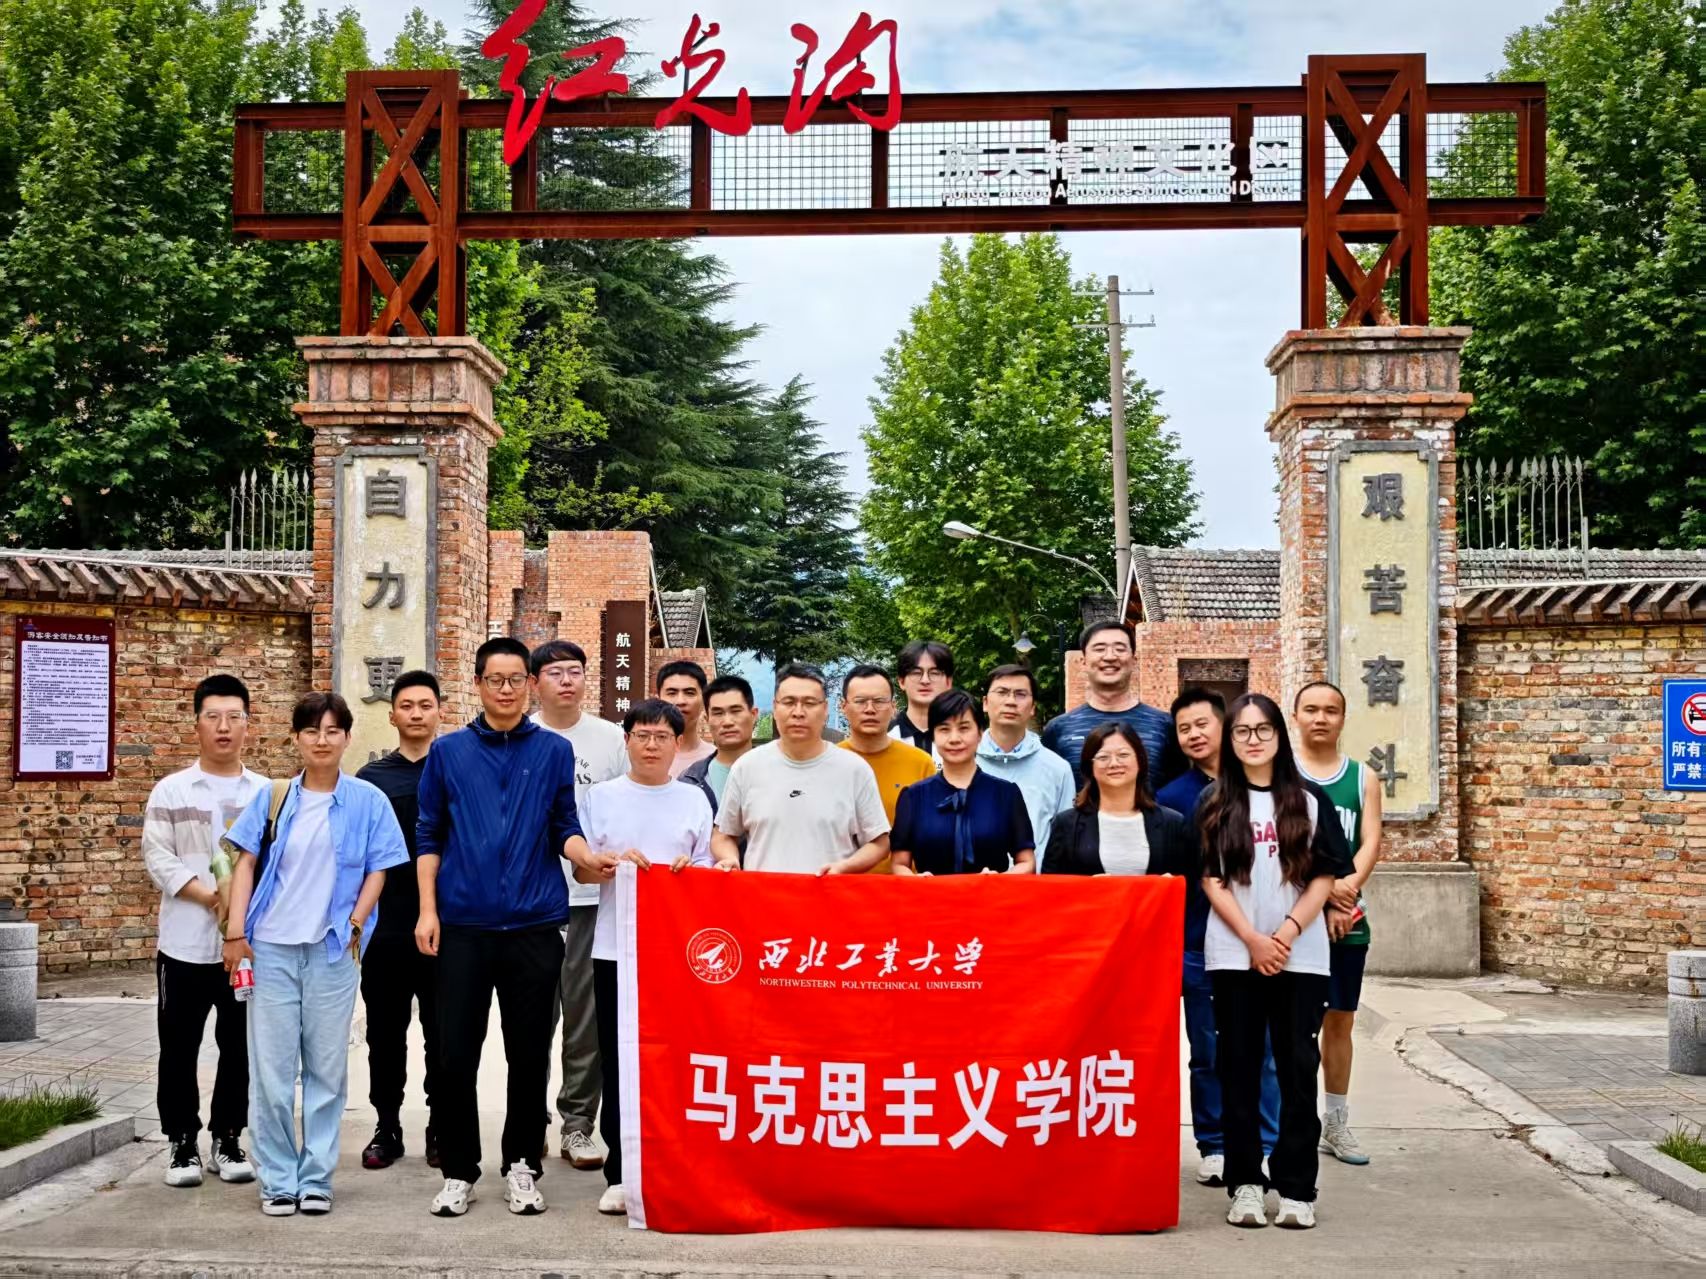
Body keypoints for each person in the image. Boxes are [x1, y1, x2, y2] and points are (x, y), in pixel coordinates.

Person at [415, 637, 589, 1219]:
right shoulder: (449, 752)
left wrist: (586, 857)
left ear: (531, 684)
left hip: (535, 925)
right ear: (478, 684)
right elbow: (429, 833)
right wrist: (428, 910)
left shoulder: (554, 751)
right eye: (496, 679)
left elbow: (563, 824)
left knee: (529, 1054)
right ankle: (459, 1170)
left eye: (517, 679)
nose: (507, 689)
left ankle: (521, 1163)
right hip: (462, 925)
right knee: (455, 1054)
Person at [220, 692, 408, 1216]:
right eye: (311, 731)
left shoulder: (369, 800)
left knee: (326, 1071)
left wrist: (356, 922)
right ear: (296, 738)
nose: (321, 740)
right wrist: (235, 933)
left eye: (332, 731)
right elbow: (244, 863)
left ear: (347, 737)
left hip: (333, 950)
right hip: (272, 949)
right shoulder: (274, 797)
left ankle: (317, 1178)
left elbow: (380, 867)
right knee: (272, 1073)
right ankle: (278, 1178)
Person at [1197, 693, 1354, 1230]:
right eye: (1242, 731)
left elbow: (1324, 877)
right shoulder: (1216, 800)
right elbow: (1211, 879)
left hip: (1301, 956)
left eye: (1263, 729)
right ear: (1230, 740)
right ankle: (1245, 1184)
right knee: (1238, 1069)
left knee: (1296, 1070)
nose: (1253, 740)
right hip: (1233, 954)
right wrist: (1251, 939)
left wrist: (1284, 935)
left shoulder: (1308, 800)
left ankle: (1296, 1189)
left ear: (1279, 735)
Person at [564, 700, 714, 1218]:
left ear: (678, 743)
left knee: (675, 1058)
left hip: (677, 952)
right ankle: (622, 1173)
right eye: (643, 735)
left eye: (662, 737)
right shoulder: (602, 798)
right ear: (626, 740)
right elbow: (582, 872)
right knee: (618, 1057)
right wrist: (606, 866)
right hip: (615, 947)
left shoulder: (694, 800)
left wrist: (688, 872)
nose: (652, 745)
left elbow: (709, 868)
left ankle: (674, 1163)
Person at [141, 674, 267, 1189]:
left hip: (244, 948)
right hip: (184, 945)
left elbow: (273, 864)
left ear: (248, 725)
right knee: (178, 1048)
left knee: (240, 1047)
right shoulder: (172, 790)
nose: (223, 727)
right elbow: (158, 857)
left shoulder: (264, 793)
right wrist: (212, 897)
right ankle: (181, 1142)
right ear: (196, 724)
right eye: (213, 717)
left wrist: (239, 909)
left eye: (234, 717)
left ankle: (227, 1137)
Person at [1156, 687, 1280, 1187]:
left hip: (1264, 939)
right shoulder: (1171, 799)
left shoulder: (1268, 787)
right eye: (1183, 728)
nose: (1193, 735)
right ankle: (1214, 1144)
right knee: (1207, 1051)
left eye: (1202, 724)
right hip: (1197, 940)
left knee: (1265, 1049)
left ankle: (1266, 1144)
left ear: (1224, 727)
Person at [528, 640, 626, 1173]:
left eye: (575, 672)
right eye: (555, 673)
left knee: (584, 1022)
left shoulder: (611, 739)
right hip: (534, 901)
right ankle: (530, 1120)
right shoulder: (522, 735)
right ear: (535, 683)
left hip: (594, 899)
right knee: (530, 1019)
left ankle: (578, 1124)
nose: (567, 681)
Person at [356, 670, 444, 1172]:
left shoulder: (452, 769)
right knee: (385, 1033)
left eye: (425, 705)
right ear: (391, 716)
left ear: (439, 712)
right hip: (385, 927)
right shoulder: (371, 779)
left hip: (444, 925)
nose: (416, 714)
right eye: (406, 705)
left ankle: (439, 1125)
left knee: (442, 1032)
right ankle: (386, 1125)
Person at [1293, 679, 1383, 1167]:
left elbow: (1370, 841)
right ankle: (1292, 1120)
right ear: (1296, 717)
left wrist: (1346, 889)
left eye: (1330, 710)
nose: (1320, 718)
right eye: (1311, 709)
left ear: (1343, 718)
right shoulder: (1284, 775)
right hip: (1298, 916)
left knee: (1340, 1020)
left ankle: (1336, 1121)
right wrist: (1326, 891)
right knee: (1293, 1024)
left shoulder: (1362, 776)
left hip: (1349, 918)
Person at [712, 664, 891, 875]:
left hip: (828, 892)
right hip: (763, 894)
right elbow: (723, 835)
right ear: (775, 707)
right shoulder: (747, 766)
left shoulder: (854, 769)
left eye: (809, 703)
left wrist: (845, 867)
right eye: (789, 702)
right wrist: (730, 858)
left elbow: (879, 842)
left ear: (825, 709)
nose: (798, 712)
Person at [890, 689, 1034, 876]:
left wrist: (999, 880)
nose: (954, 739)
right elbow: (899, 864)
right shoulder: (913, 796)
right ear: (933, 736)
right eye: (944, 729)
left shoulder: (1006, 794)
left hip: (991, 894)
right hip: (930, 894)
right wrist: (917, 882)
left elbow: (1027, 861)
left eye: (964, 728)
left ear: (980, 733)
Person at [1039, 722, 1193, 877]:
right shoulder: (1066, 824)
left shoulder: (1172, 823)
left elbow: (1190, 882)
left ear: (1140, 760)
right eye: (1103, 757)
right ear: (1090, 767)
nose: (1114, 764)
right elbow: (1051, 885)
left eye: (1123, 755)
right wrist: (1087, 887)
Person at [1041, 621, 1176, 790]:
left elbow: (1177, 794)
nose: (1110, 657)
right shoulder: (1058, 729)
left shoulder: (1165, 726)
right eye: (1099, 649)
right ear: (1083, 661)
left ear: (1134, 661)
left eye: (1119, 649)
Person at [837, 664, 937, 872]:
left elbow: (932, 832)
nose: (870, 709)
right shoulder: (830, 763)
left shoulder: (920, 763)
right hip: (841, 882)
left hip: (905, 883)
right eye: (860, 701)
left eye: (879, 701)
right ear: (843, 707)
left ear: (893, 707)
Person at [976, 664, 1076, 865]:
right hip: (973, 881)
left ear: (1032, 708)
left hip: (1035, 881)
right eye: (1002, 692)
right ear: (985, 703)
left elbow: (1066, 839)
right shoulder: (963, 761)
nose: (1011, 701)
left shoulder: (1057, 768)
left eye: (1020, 694)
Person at [681, 674, 760, 811]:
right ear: (707, 719)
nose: (727, 722)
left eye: (735, 711)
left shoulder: (779, 772)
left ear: (753, 715)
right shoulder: (689, 781)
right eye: (718, 713)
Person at [891, 640, 953, 754]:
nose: (925, 680)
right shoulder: (883, 735)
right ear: (901, 681)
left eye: (934, 673)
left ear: (948, 682)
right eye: (916, 673)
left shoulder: (966, 738)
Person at [656, 661, 714, 777]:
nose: (680, 701)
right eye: (672, 693)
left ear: (704, 701)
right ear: (658, 700)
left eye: (689, 693)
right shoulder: (640, 756)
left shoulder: (714, 759)